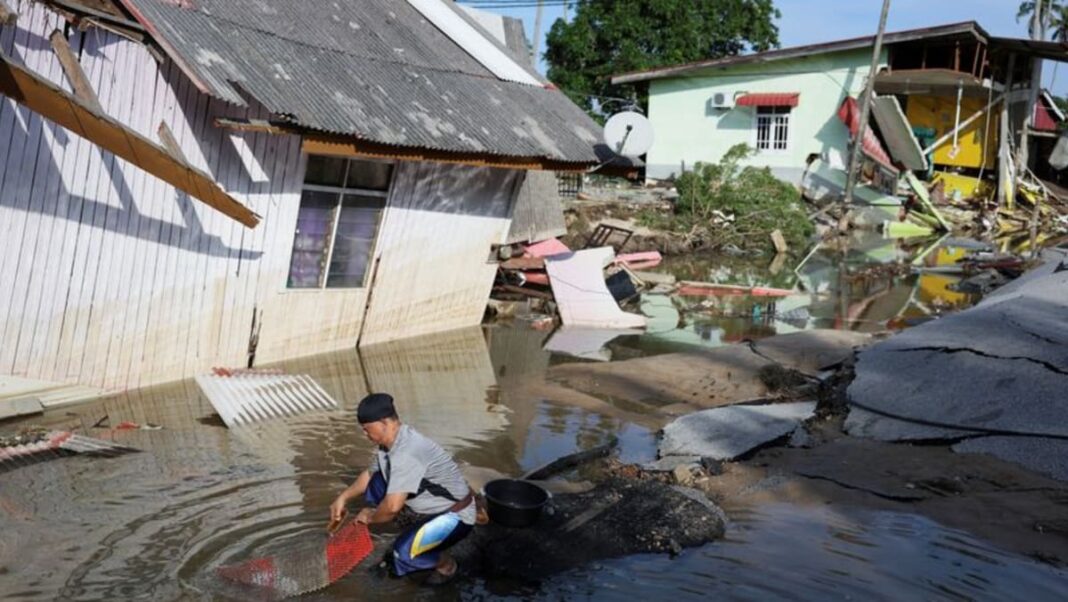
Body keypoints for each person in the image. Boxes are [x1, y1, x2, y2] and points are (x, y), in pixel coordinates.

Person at [330, 393, 475, 585]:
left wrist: (370, 517)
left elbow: (390, 508)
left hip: (456, 514)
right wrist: (343, 498)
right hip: (430, 504)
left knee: (402, 555)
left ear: (383, 422)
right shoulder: (390, 443)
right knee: (377, 482)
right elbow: (370, 474)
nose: (365, 435)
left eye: (366, 430)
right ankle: (415, 527)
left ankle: (446, 565)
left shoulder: (407, 452)